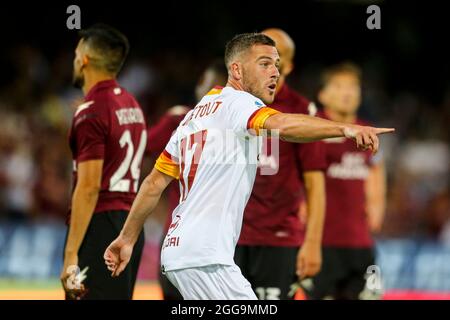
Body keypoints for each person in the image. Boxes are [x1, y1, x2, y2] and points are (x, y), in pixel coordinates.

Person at [104, 33, 393, 300]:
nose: (274, 72)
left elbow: (154, 183)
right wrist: (346, 129)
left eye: (277, 65)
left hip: (180, 252)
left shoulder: (194, 116)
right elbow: (282, 123)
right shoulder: (238, 103)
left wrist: (126, 238)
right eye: (264, 63)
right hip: (207, 258)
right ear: (237, 70)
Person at [235, 28, 326, 300]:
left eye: (276, 55)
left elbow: (315, 183)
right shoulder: (231, 102)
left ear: (286, 65)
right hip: (228, 237)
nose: (268, 58)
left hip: (277, 239)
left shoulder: (301, 110)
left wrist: (312, 243)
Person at [61, 24, 146, 300]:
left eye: (76, 54)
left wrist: (71, 254)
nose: (74, 60)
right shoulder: (131, 104)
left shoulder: (91, 112)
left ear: (84, 59)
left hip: (99, 228)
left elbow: (88, 187)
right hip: (129, 226)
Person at [302, 62, 387, 300]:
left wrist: (377, 204)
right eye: (339, 86)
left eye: (353, 87)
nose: (347, 93)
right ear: (323, 94)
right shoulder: (311, 128)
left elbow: (376, 165)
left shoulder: (367, 130)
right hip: (319, 244)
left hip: (360, 243)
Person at [146, 60, 227, 300]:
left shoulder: (181, 119)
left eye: (207, 80)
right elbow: (144, 150)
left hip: (211, 238)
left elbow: (141, 148)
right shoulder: (180, 119)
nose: (201, 85)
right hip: (181, 233)